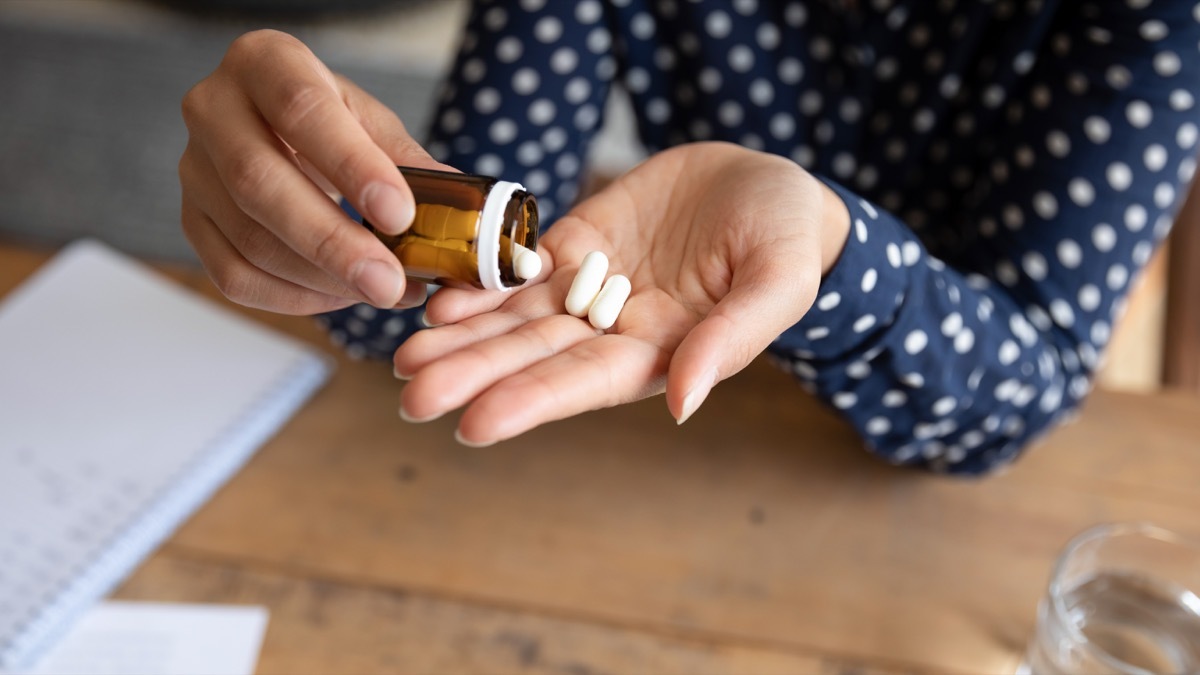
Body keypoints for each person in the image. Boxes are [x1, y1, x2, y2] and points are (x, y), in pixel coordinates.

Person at [179, 0, 1200, 475]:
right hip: (646, 447)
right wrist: (345, 222)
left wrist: (837, 259)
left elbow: (1021, 396)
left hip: (882, 492)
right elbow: (471, 287)